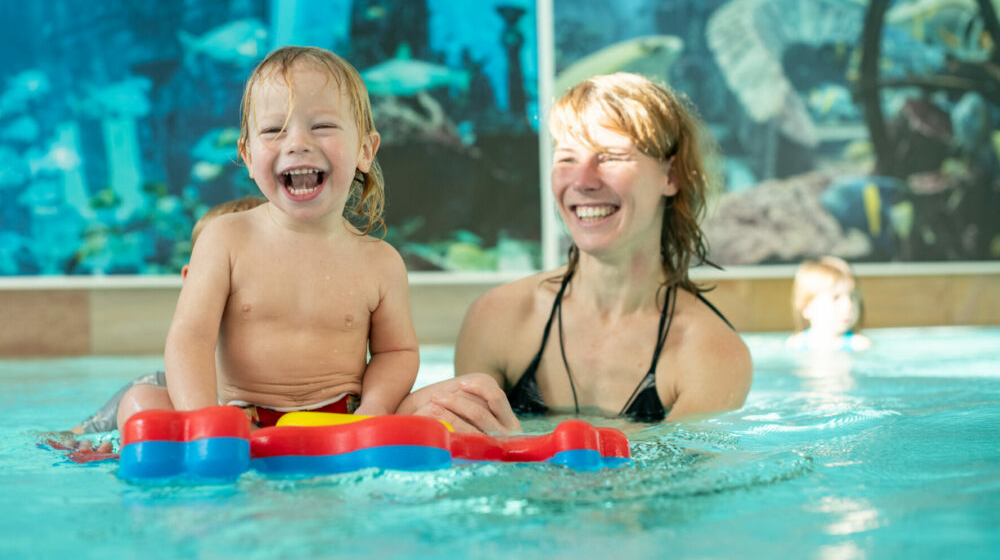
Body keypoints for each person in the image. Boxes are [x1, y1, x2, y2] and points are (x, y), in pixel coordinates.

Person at [398, 72, 752, 433]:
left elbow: (666, 487)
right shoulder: (498, 320)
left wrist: (515, 450)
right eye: (567, 159)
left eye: (611, 157)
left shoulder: (711, 354)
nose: (583, 181)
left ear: (671, 176)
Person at [114, 45, 419, 434]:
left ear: (364, 149)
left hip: (341, 420)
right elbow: (190, 337)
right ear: (247, 154)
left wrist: (373, 409)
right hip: (240, 420)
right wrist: (203, 418)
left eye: (322, 126)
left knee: (445, 401)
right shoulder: (225, 239)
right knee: (141, 402)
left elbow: (397, 351)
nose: (297, 143)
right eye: (275, 130)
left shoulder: (380, 261)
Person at [59, 195, 266, 452]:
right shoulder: (157, 390)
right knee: (143, 404)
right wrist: (81, 450)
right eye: (226, 271)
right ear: (192, 279)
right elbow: (56, 441)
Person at [785, 256, 872, 352]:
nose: (848, 305)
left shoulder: (859, 345)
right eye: (836, 298)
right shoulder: (796, 344)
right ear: (806, 307)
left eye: (852, 297)